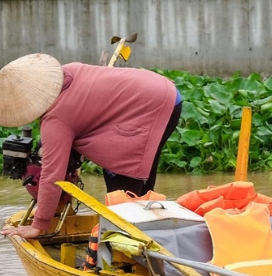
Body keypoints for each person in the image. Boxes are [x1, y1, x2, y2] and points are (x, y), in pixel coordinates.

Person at [0, 53, 182, 239]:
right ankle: (147, 230)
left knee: (121, 197)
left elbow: (51, 174)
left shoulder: (56, 120)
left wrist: (39, 225)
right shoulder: (70, 70)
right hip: (166, 92)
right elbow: (89, 110)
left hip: (150, 106)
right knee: (139, 185)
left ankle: (128, 247)